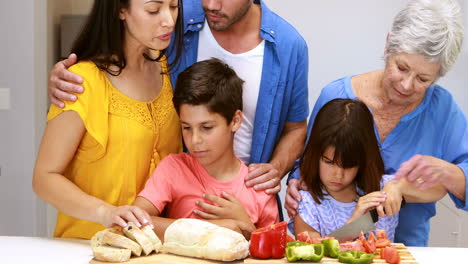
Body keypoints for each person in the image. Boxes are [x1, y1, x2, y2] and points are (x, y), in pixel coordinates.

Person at [47, 0, 309, 202]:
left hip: (249, 200)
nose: (211, 5)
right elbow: (124, 46)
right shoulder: (177, 16)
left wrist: (275, 168)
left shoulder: (289, 45)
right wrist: (70, 71)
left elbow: (296, 128)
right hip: (178, 204)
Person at [286, 0, 467, 246]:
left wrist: (449, 173)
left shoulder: (442, 110)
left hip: (408, 250)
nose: (406, 85)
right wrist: (297, 187)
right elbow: (307, 165)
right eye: (401, 67)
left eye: (423, 79)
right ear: (388, 45)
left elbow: (442, 186)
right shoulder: (337, 97)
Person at [33, 0, 185, 239]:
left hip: (153, 249)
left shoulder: (165, 68)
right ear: (120, 10)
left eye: (174, 7)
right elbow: (44, 178)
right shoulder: (81, 81)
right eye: (153, 10)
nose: (169, 20)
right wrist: (105, 212)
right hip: (86, 247)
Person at [132, 58, 279, 240]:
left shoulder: (259, 188)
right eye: (186, 127)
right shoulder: (174, 168)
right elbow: (134, 221)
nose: (194, 140)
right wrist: (212, 228)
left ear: (235, 121)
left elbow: (274, 254)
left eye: (207, 128)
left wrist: (245, 226)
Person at [291, 99, 447, 242]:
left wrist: (398, 188)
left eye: (349, 165)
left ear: (364, 160)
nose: (338, 175)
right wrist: (354, 225)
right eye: (329, 162)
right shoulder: (306, 204)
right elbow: (311, 254)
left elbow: (440, 188)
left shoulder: (383, 188)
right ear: (315, 154)